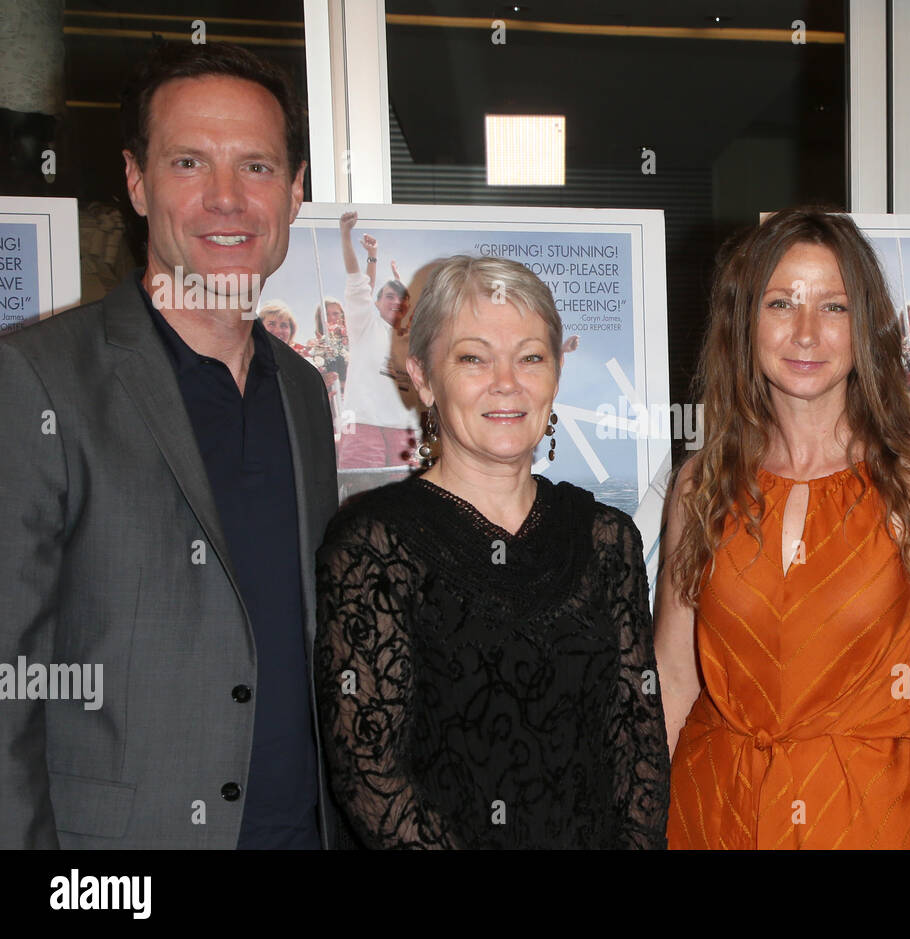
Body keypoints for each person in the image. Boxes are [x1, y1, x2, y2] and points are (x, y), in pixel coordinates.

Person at [0, 41, 341, 848]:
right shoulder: (36, 381)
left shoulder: (300, 391)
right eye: (189, 162)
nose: (227, 198)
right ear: (135, 181)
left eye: (257, 167)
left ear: (294, 192)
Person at [314, 255, 670, 848]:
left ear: (556, 375)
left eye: (530, 357)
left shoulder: (607, 538)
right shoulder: (372, 544)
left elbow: (640, 744)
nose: (506, 382)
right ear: (423, 377)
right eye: (473, 358)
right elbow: (370, 772)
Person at [655, 207, 910, 849]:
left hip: (866, 817)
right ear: (745, 322)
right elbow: (672, 675)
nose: (806, 333)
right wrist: (636, 825)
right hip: (713, 813)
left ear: (865, 326)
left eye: (833, 308)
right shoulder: (701, 482)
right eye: (781, 303)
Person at [335, 212, 419, 470]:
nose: (396, 302)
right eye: (389, 296)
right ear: (376, 302)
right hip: (363, 424)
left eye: (401, 298)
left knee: (401, 504)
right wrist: (346, 235)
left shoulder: (411, 339)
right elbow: (358, 283)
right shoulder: (365, 326)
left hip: (402, 430)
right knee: (363, 500)